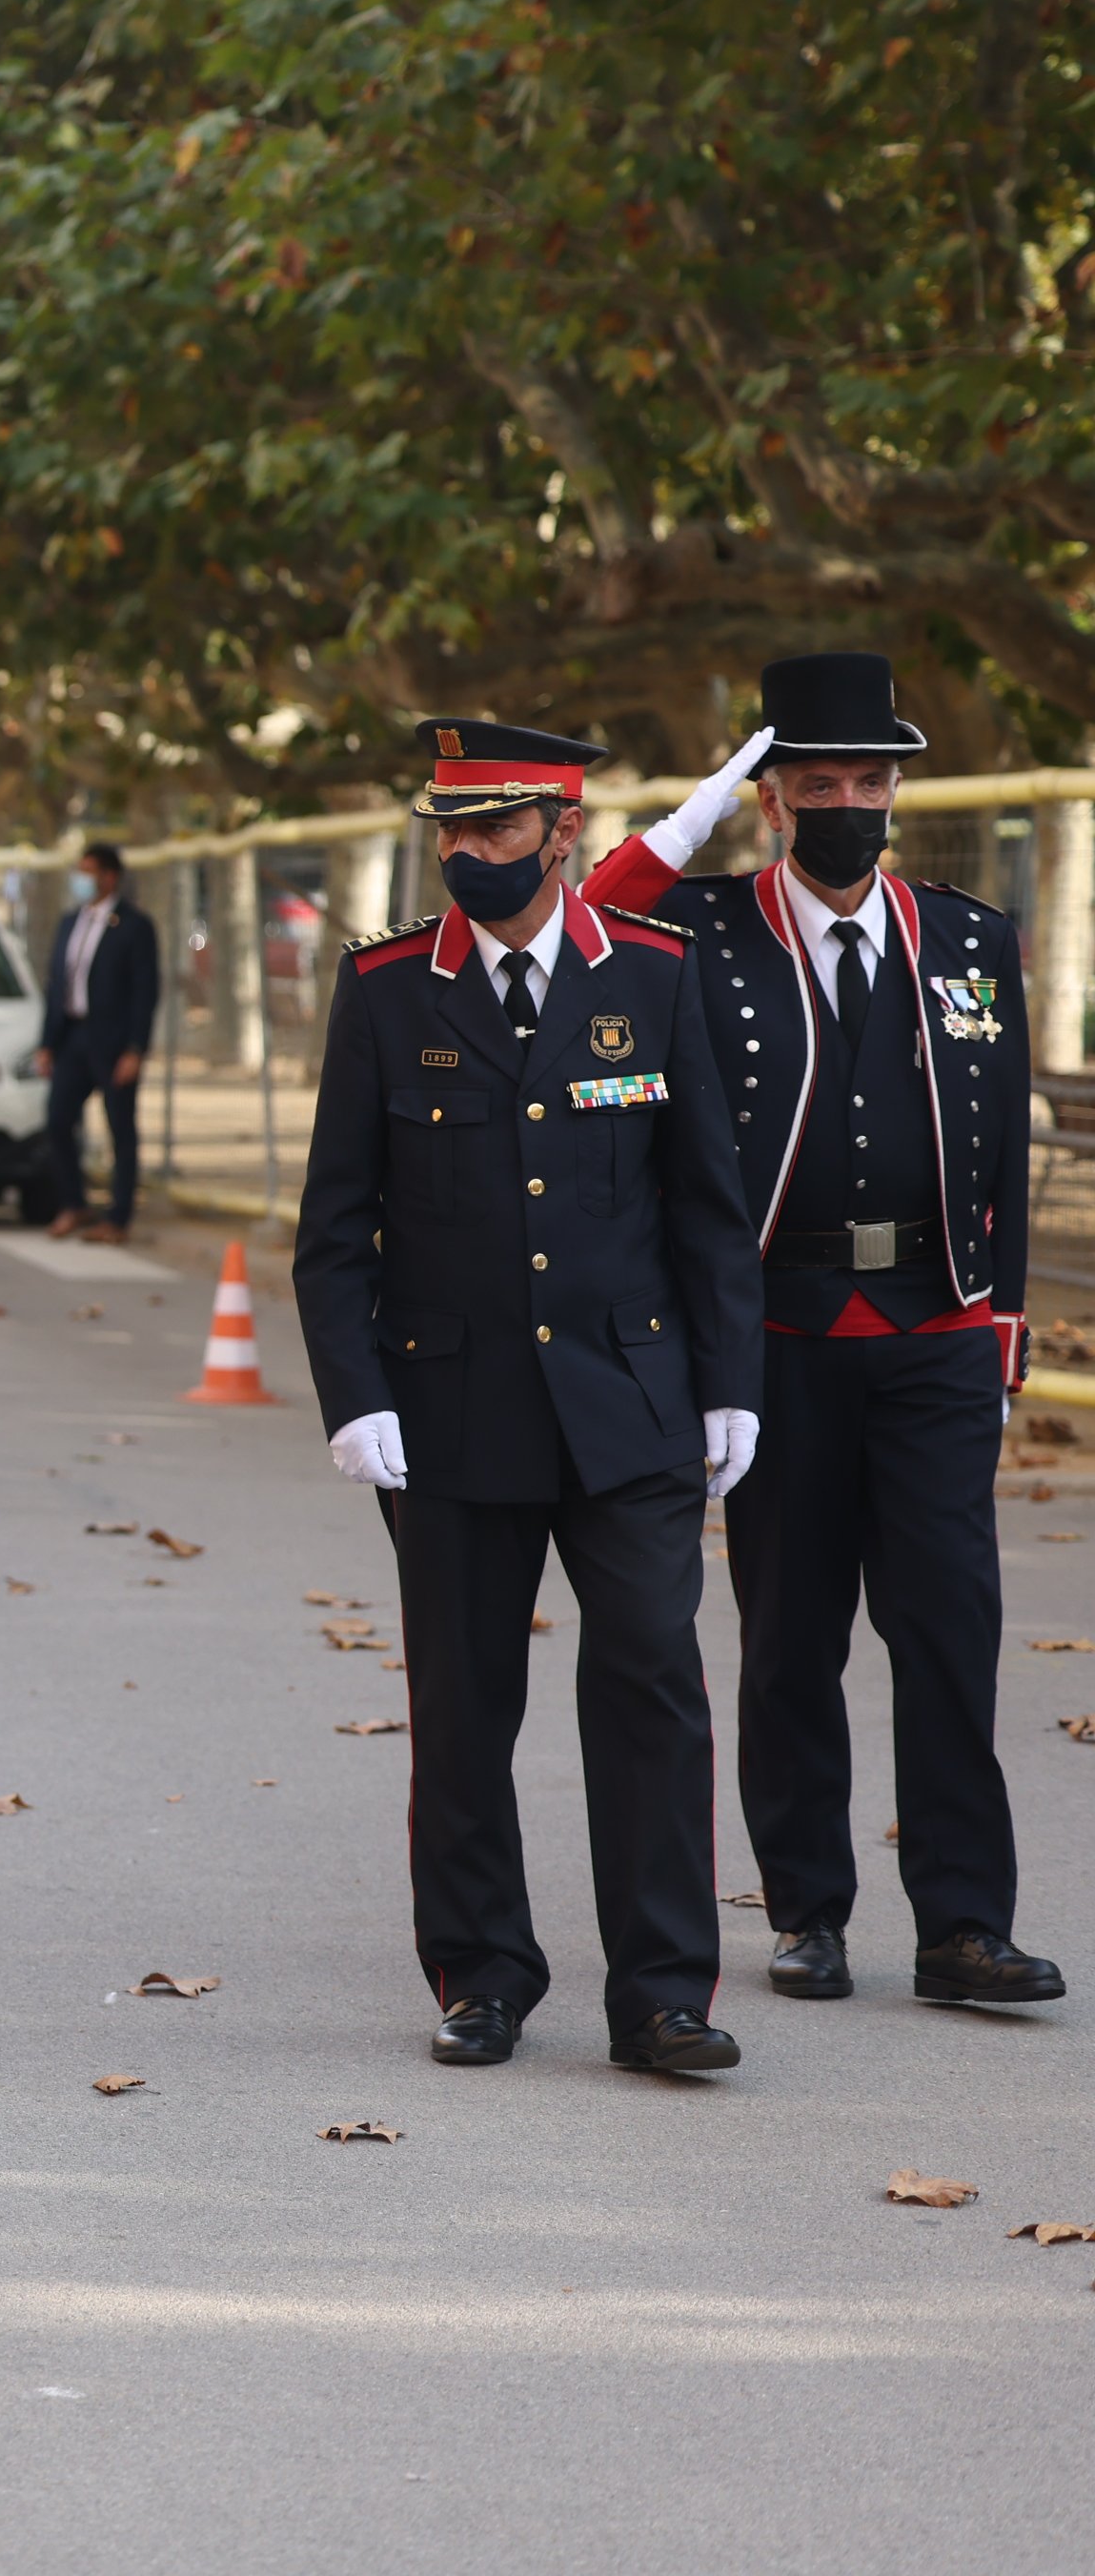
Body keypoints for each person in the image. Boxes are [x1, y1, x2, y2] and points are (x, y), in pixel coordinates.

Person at [578, 655, 1061, 2009]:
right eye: (818, 783)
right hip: (775, 1335)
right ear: (774, 798)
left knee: (952, 1626)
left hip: (940, 1328)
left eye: (869, 780)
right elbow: (571, 942)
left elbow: (995, 1157)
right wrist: (676, 834)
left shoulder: (969, 938)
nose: (849, 803)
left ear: (897, 789)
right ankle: (808, 1909)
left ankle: (965, 1923)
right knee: (791, 1636)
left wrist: (1002, 1334)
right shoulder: (705, 933)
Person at [294, 719, 763, 2075]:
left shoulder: (657, 975)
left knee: (652, 1696)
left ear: (564, 835)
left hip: (629, 1401)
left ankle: (667, 1994)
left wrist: (729, 1383)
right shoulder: (388, 988)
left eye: (495, 829)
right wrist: (354, 1393)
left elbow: (707, 1208)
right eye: (449, 829)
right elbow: (337, 1226)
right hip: (449, 1410)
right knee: (462, 1706)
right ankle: (483, 1972)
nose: (466, 854)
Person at [34, 842, 158, 1240]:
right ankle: (73, 1203)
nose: (81, 879)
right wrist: (47, 1042)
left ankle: (118, 1217)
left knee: (120, 1128)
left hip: (113, 1041)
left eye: (88, 871)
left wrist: (135, 1048)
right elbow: (58, 984)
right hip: (72, 1035)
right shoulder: (71, 921)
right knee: (57, 1121)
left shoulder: (135, 926)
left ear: (110, 876)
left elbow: (145, 991)